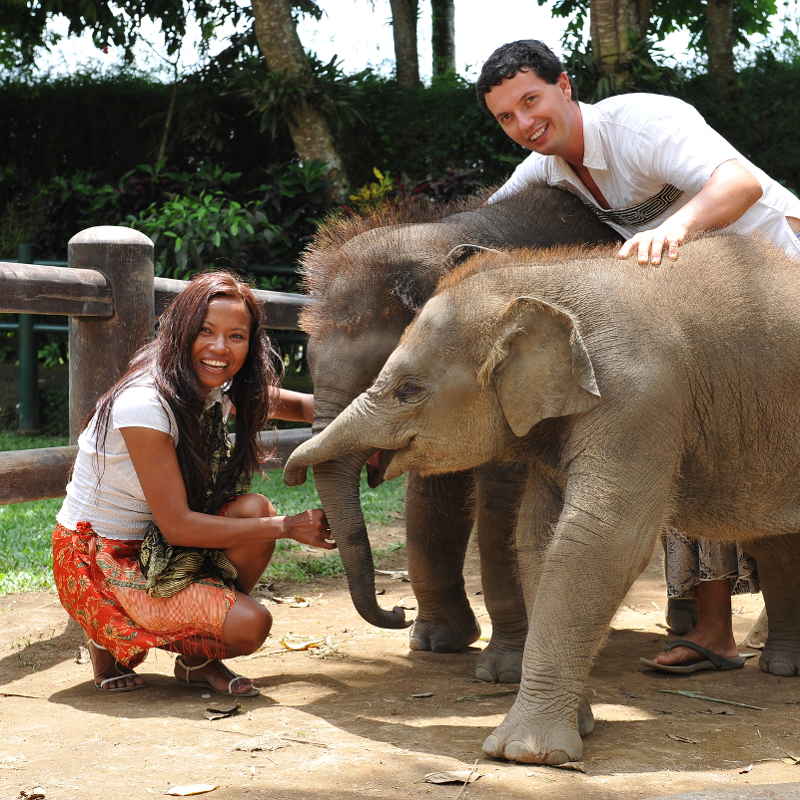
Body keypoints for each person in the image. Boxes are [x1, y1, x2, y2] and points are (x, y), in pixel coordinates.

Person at [475, 39, 800, 671]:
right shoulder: (550, 168)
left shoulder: (641, 122)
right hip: (716, 335)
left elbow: (739, 183)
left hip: (782, 287)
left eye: (531, 101)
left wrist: (673, 228)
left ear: (565, 87)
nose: (523, 124)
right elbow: (487, 227)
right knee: (685, 454)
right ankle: (713, 630)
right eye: (506, 117)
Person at [53, 271, 335, 695]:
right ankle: (106, 633)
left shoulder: (211, 385)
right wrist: (289, 528)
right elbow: (179, 527)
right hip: (99, 557)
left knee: (254, 509)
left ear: (250, 343)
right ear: (182, 331)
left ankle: (195, 661)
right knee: (250, 624)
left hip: (156, 546)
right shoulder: (146, 404)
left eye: (236, 336)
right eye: (206, 331)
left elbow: (294, 405)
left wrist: (367, 413)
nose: (220, 348)